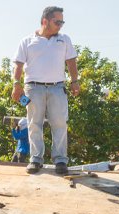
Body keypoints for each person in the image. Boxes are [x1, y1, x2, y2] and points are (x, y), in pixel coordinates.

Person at [11, 6, 79, 175]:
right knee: (34, 124)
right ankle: (35, 159)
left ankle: (61, 160)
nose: (61, 25)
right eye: (58, 22)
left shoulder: (64, 39)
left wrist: (75, 81)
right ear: (45, 21)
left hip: (58, 87)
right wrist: (16, 84)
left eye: (62, 21)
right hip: (33, 88)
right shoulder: (27, 41)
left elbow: (71, 61)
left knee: (60, 123)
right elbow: (18, 65)